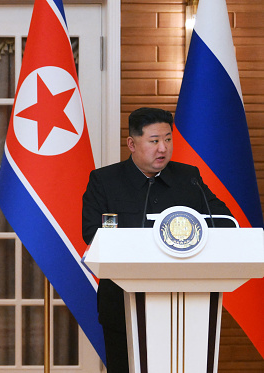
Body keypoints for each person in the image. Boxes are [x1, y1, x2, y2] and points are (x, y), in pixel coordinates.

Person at [82, 107, 232, 372]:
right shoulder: (104, 180)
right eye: (154, 141)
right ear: (132, 143)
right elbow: (92, 233)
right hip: (121, 302)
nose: (163, 148)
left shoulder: (189, 178)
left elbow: (224, 221)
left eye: (168, 139)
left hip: (185, 303)